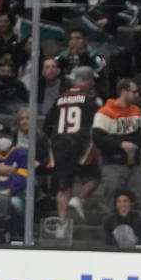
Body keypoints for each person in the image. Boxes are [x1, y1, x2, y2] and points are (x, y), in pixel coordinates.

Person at [45, 66, 101, 231]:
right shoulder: (90, 98)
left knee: (64, 186)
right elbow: (98, 123)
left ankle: (62, 224)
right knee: (93, 178)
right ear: (88, 80)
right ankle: (79, 199)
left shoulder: (60, 98)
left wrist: (56, 138)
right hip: (81, 141)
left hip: (59, 143)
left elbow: (48, 124)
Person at [93, 78, 141, 203]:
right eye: (134, 92)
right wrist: (120, 144)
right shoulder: (104, 112)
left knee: (140, 196)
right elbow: (98, 139)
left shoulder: (136, 111)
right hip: (113, 163)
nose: (137, 95)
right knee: (112, 196)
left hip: (134, 163)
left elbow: (140, 136)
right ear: (123, 92)